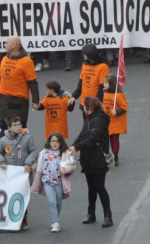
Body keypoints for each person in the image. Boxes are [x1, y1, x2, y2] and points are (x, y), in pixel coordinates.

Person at [72, 96, 112, 228]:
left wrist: (76, 147)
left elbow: (93, 138)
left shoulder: (99, 120)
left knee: (100, 187)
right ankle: (91, 213)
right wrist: (72, 146)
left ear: (89, 107)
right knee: (91, 188)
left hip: (98, 159)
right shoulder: (89, 118)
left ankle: (108, 216)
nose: (82, 107)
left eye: (84, 105)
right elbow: (82, 135)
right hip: (88, 158)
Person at [33, 133, 75, 233]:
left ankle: (55, 219)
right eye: (52, 141)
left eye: (57, 141)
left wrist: (65, 170)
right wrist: (30, 167)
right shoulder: (44, 152)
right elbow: (37, 164)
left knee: (58, 203)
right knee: (52, 202)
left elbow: (73, 165)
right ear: (49, 142)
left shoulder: (65, 153)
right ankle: (55, 222)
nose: (54, 143)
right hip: (47, 182)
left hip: (59, 182)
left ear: (61, 142)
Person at [0, 36, 40, 130]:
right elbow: (1, 78)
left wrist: (35, 101)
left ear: (14, 45)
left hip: (19, 101)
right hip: (4, 99)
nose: (4, 45)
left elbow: (33, 83)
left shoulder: (26, 61)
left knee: (19, 129)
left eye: (6, 43)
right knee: (3, 127)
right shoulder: (4, 59)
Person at [101, 75, 127, 165]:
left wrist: (117, 111)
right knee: (106, 140)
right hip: (106, 121)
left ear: (111, 84)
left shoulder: (119, 95)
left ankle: (116, 156)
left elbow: (124, 107)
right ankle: (107, 156)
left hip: (116, 121)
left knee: (114, 139)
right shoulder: (104, 93)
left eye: (106, 83)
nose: (103, 84)